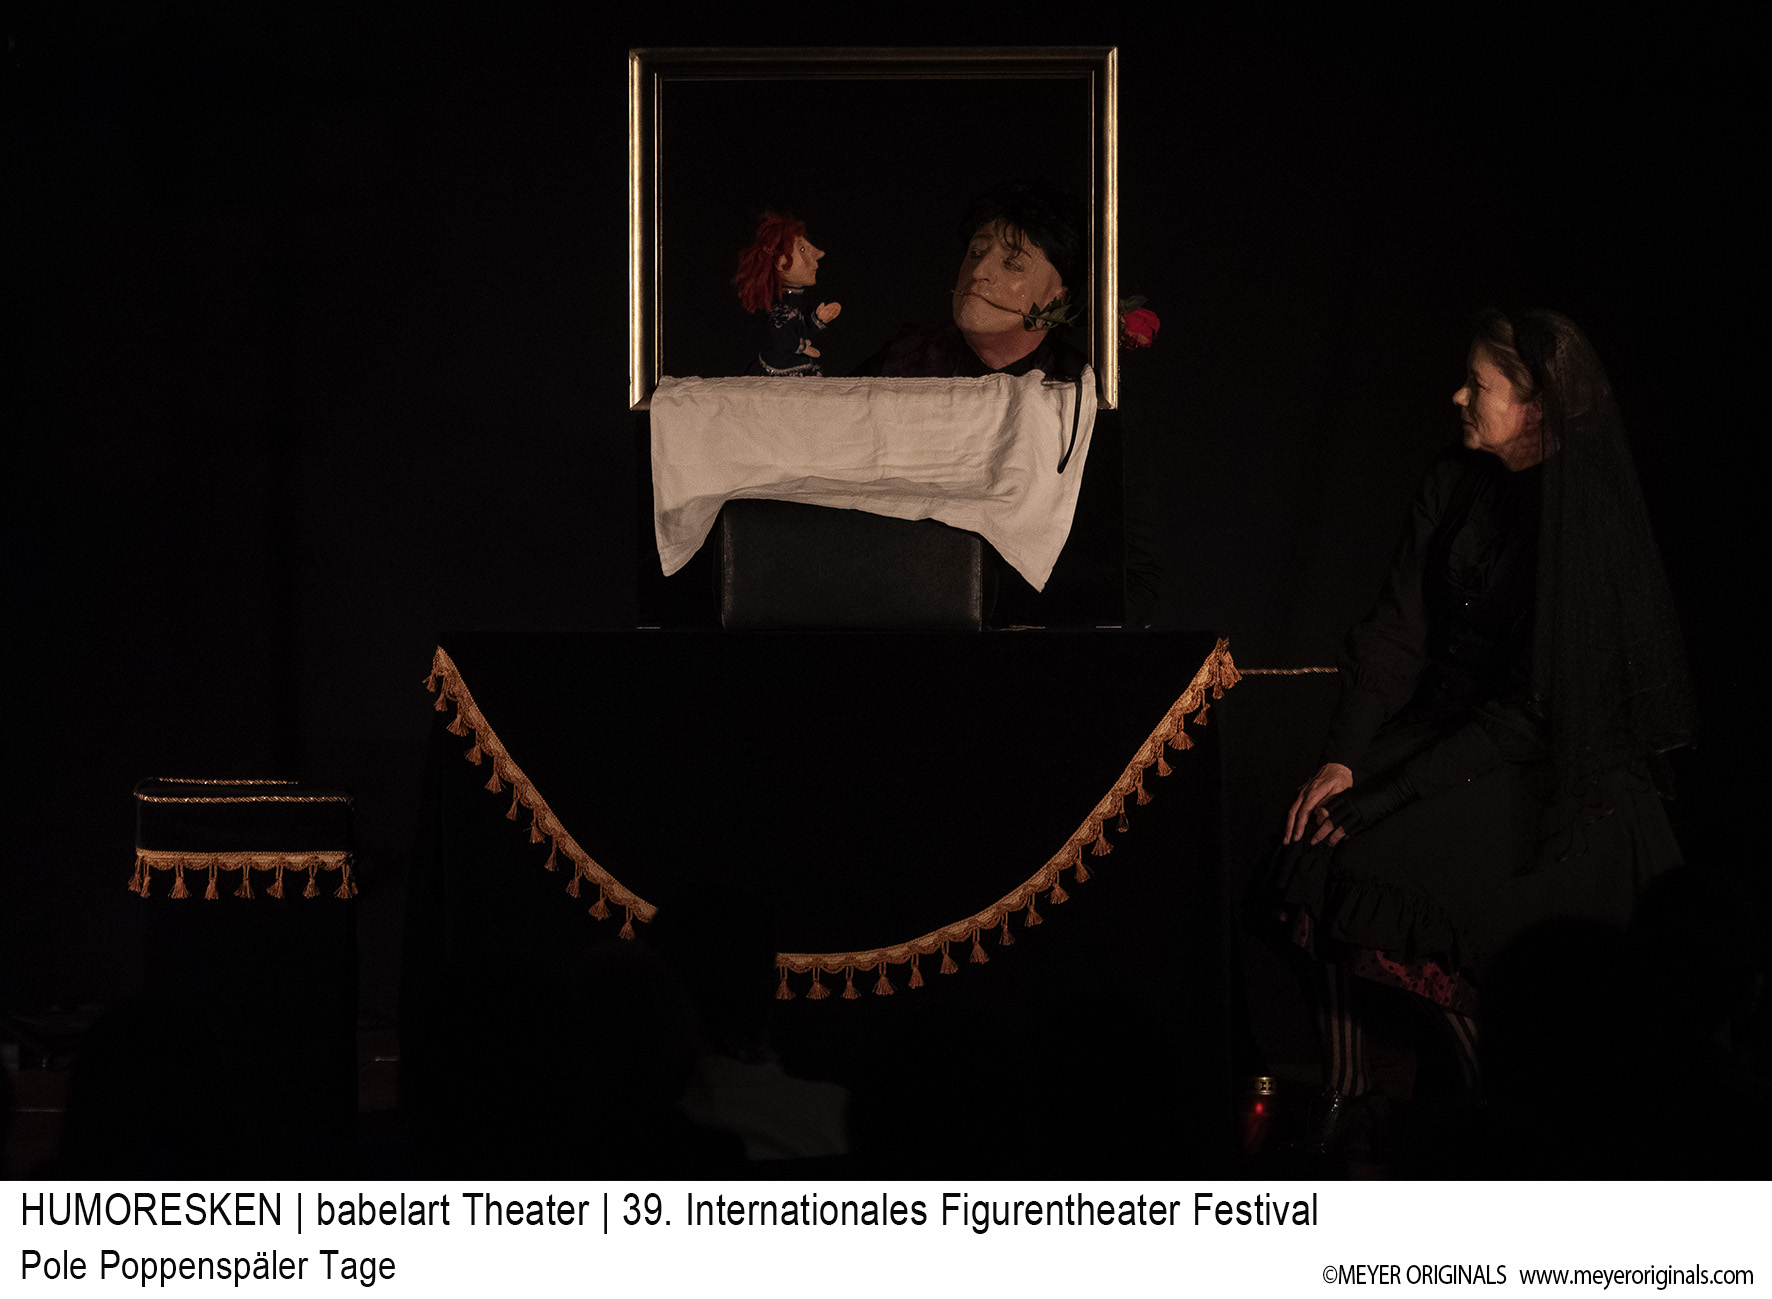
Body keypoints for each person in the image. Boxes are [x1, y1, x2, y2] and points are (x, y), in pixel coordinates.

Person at [1269, 308, 1694, 1155]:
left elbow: (1534, 712)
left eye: (1479, 384)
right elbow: (1395, 632)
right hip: (1450, 732)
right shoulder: (1454, 478)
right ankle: (1349, 1096)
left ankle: (1497, 1119)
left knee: (1382, 875)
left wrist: (1391, 793)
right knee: (1304, 851)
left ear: (1534, 407)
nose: (1457, 396)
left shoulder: (1581, 514)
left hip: (1548, 765)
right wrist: (1343, 761)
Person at [857, 179, 1158, 625]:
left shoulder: (1083, 397)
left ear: (1056, 298)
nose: (979, 271)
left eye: (1012, 263)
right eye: (975, 253)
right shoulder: (898, 362)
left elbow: (1132, 578)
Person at [734, 212, 841, 376]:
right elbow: (778, 335)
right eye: (802, 249)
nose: (817, 257)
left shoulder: (795, 301)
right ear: (781, 261)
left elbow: (798, 327)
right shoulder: (782, 306)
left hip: (793, 363)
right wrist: (802, 346)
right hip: (780, 368)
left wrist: (818, 319)